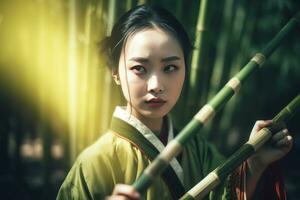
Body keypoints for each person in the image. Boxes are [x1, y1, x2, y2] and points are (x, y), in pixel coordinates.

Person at [56, 5, 293, 200]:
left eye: (170, 68)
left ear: (185, 69)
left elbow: (227, 194)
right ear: (115, 72)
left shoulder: (198, 149)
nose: (156, 85)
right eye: (139, 69)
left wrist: (254, 162)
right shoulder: (94, 165)